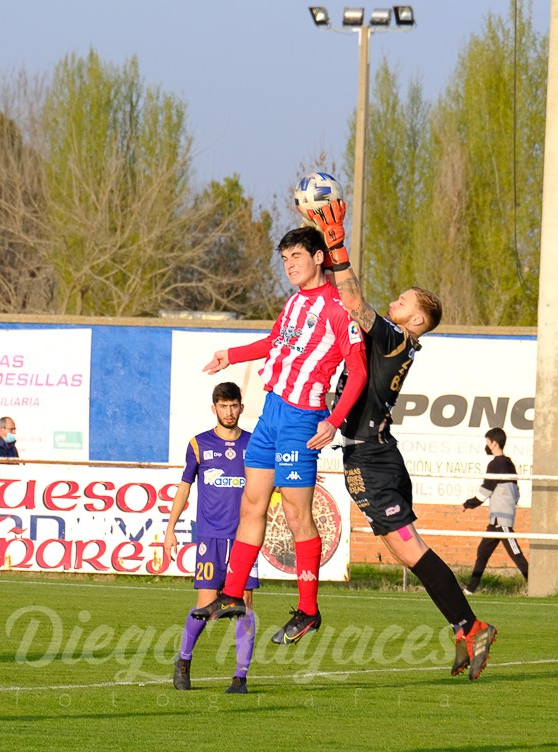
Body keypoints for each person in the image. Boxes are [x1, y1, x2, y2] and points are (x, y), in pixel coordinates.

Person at [305, 197, 496, 680]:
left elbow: (353, 302)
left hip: (371, 457)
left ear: (415, 321)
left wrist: (337, 242)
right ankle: (462, 625)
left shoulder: (394, 338)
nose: (394, 302)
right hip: (372, 455)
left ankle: (471, 626)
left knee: (410, 549)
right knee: (402, 550)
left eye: (403, 302)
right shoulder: (396, 340)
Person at [193, 225, 367, 646]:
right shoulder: (293, 303)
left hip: (302, 419)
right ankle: (232, 594)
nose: (289, 265)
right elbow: (275, 342)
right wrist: (229, 356)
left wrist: (334, 419)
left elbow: (358, 369)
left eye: (297, 257)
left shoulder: (339, 307)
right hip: (271, 413)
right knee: (251, 506)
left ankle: (308, 610)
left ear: (319, 258)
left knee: (295, 515)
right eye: (285, 259)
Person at [164, 382, 258, 694]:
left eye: (234, 406)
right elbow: (184, 487)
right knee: (206, 604)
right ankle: (184, 659)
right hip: (210, 537)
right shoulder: (198, 444)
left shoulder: (255, 444)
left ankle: (240, 678)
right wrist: (170, 529)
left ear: (241, 407)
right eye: (223, 406)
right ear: (214, 408)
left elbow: (273, 480)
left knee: (243, 605)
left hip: (245, 537)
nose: (229, 412)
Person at [462, 426, 529, 594]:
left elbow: (486, 490)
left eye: (487, 442)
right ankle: (470, 589)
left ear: (494, 443)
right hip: (496, 519)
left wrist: (469, 503)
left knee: (516, 553)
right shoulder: (509, 464)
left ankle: (534, 584)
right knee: (483, 552)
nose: (486, 445)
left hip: (501, 518)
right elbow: (516, 492)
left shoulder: (496, 464)